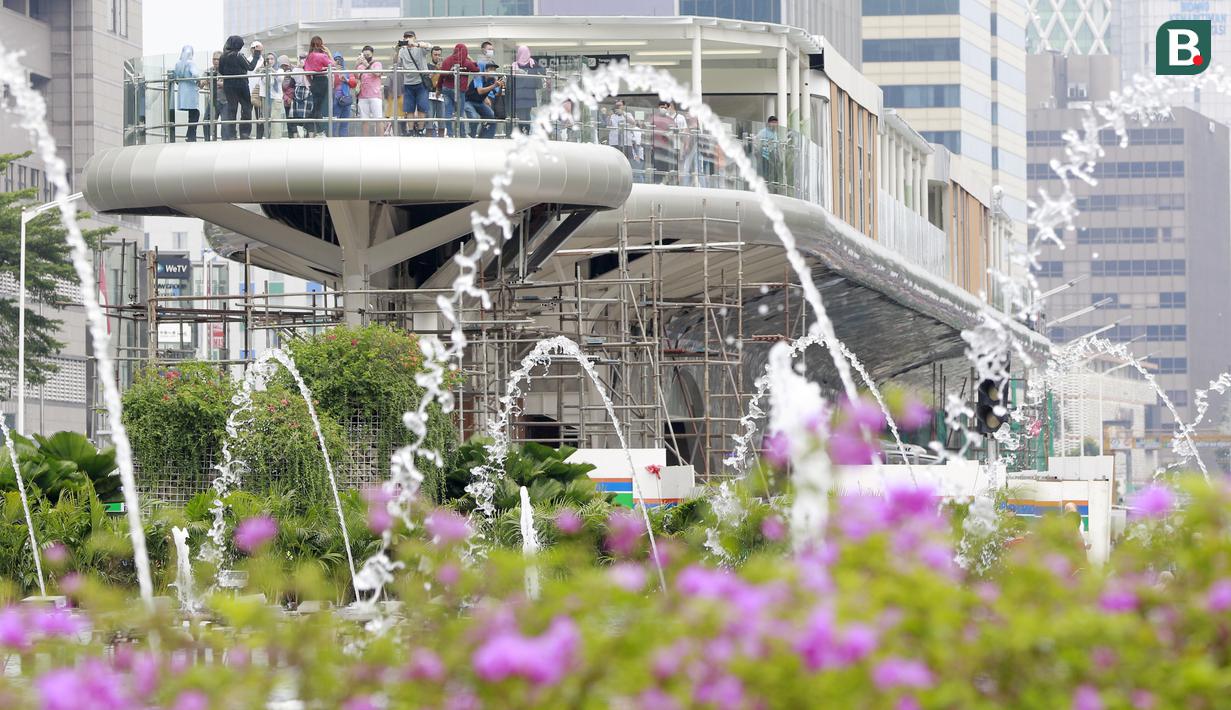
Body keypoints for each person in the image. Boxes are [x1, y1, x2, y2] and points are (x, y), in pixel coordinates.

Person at [218, 35, 261, 140]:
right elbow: (250, 67)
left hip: (229, 86)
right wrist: (256, 54)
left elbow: (221, 71)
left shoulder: (223, 57)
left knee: (232, 110)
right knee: (246, 108)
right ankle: (244, 133)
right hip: (241, 85)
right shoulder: (239, 56)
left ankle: (231, 134)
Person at [396, 30, 433, 135]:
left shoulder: (420, 48)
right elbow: (396, 62)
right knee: (409, 109)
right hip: (408, 83)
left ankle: (420, 130)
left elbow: (430, 46)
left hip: (421, 82)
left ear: (415, 37)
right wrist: (397, 50)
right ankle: (411, 130)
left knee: (422, 107)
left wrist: (415, 44)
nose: (407, 39)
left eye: (410, 36)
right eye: (405, 37)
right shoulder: (402, 50)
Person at [438, 43, 478, 137]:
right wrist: (471, 59)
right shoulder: (466, 62)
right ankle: (462, 134)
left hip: (447, 89)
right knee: (460, 113)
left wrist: (438, 88)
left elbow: (441, 76)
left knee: (448, 111)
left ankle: (450, 134)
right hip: (460, 90)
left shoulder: (447, 60)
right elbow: (476, 70)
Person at [466, 57, 504, 139]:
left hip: (480, 102)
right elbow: (480, 91)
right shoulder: (478, 77)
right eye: (491, 69)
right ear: (486, 70)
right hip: (469, 101)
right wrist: (494, 85)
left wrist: (501, 87)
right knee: (474, 117)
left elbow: (497, 94)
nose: (493, 71)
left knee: (492, 117)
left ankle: (486, 137)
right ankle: (471, 136)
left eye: (494, 69)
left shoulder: (492, 80)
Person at [303, 36, 333, 136]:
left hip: (314, 81)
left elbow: (307, 72)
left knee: (316, 106)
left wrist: (311, 83)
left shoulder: (309, 56)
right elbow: (332, 65)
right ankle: (314, 128)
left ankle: (310, 127)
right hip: (323, 80)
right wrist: (328, 53)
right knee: (318, 107)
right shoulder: (322, 56)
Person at [509, 45, 543, 134]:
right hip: (529, 94)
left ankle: (521, 131)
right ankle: (526, 131)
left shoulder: (515, 65)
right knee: (527, 114)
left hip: (518, 94)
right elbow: (543, 71)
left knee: (520, 115)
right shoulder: (532, 63)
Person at [172, 46, 201, 142]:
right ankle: (191, 136)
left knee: (191, 114)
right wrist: (198, 82)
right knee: (195, 113)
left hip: (182, 92)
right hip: (191, 92)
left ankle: (189, 135)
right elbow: (195, 74)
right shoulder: (191, 63)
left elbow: (175, 77)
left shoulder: (178, 64)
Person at [355, 45, 385, 136]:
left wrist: (366, 65)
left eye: (368, 55)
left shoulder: (377, 64)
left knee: (378, 119)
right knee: (364, 120)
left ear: (372, 54)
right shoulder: (360, 66)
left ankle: (381, 139)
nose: (366, 57)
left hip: (375, 96)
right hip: (362, 96)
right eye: (364, 55)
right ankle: (365, 139)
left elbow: (377, 73)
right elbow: (355, 77)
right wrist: (356, 64)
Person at [649, 100, 676, 183]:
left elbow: (675, 131)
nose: (663, 109)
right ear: (658, 107)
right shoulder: (653, 117)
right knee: (656, 166)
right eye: (662, 107)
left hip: (666, 147)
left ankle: (665, 183)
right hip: (655, 147)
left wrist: (669, 134)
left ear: (667, 108)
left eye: (665, 107)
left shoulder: (670, 120)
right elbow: (648, 129)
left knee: (665, 167)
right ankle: (656, 183)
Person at [200, 51, 225, 141]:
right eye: (214, 59)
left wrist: (216, 82)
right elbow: (200, 84)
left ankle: (225, 145)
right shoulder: (209, 70)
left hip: (225, 101)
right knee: (206, 122)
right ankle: (208, 142)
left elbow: (230, 84)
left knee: (226, 126)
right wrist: (205, 81)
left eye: (218, 59)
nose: (216, 61)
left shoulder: (226, 70)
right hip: (213, 100)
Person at [331, 53, 358, 136]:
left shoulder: (347, 71)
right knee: (334, 123)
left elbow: (353, 83)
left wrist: (346, 79)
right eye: (336, 60)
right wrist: (335, 74)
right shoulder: (331, 71)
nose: (338, 62)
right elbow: (330, 85)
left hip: (346, 100)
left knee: (344, 123)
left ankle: (343, 142)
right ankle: (332, 142)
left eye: (340, 60)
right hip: (335, 100)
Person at [756, 115, 782, 191]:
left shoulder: (775, 133)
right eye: (773, 122)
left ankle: (774, 188)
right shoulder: (763, 132)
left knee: (775, 173)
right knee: (765, 173)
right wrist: (765, 144)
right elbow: (757, 141)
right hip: (764, 155)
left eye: (776, 123)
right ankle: (764, 188)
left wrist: (778, 156)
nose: (774, 124)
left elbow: (776, 145)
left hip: (773, 156)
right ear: (769, 123)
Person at [426, 46, 445, 136]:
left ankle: (441, 140)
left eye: (439, 55)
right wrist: (436, 69)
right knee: (429, 119)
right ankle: (428, 140)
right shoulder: (427, 66)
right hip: (430, 94)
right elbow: (428, 80)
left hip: (441, 95)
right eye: (435, 54)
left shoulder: (445, 66)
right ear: (431, 55)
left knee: (442, 120)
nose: (437, 57)